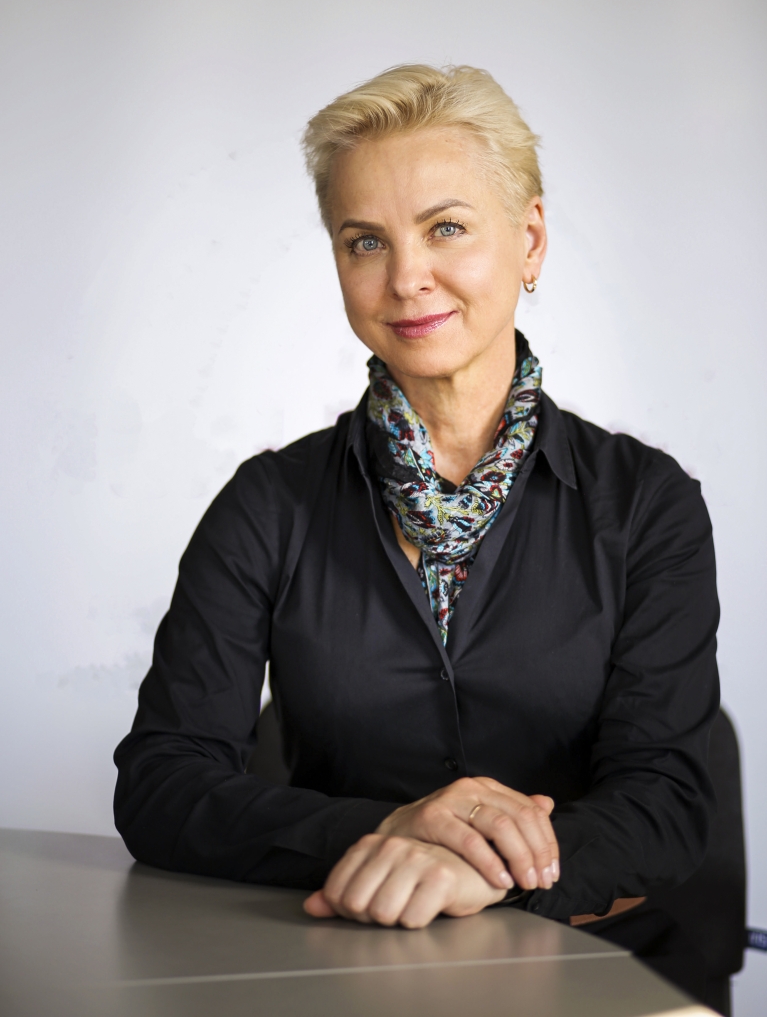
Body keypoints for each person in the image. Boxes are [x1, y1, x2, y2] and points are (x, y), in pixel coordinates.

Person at [114, 65, 719, 991]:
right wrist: (387, 831)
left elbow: (665, 802)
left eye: (445, 228)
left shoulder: (646, 504)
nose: (404, 279)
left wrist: (484, 871)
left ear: (528, 240)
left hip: (591, 968)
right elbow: (162, 784)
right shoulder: (267, 504)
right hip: (335, 967)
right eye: (365, 241)